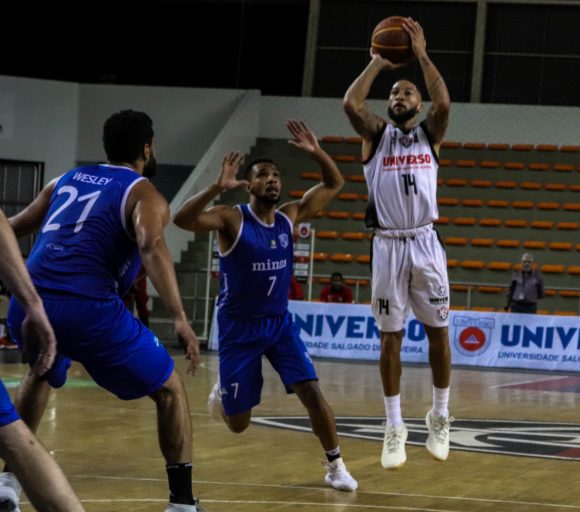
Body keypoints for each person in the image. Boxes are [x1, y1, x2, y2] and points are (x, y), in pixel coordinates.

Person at [6, 109, 204, 512]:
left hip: (28, 303)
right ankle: (182, 503)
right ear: (146, 148)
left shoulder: (64, 180)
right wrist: (180, 317)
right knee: (169, 389)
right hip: (88, 310)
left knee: (40, 371)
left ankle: (7, 483)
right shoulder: (144, 194)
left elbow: (10, 228)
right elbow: (150, 245)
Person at [172, 120, 358, 492]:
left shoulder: (289, 216)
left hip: (278, 324)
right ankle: (224, 392)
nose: (272, 179)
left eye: (275, 175)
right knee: (238, 424)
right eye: (262, 175)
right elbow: (182, 219)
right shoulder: (232, 218)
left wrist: (317, 152)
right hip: (238, 328)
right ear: (249, 184)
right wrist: (215, 187)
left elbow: (335, 183)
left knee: (311, 391)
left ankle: (336, 466)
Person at [343, 17, 453, 470]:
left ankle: (440, 415)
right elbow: (351, 102)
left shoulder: (430, 134)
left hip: (425, 242)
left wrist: (421, 55)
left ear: (418, 104)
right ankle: (394, 426)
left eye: (407, 92)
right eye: (393, 93)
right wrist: (377, 62)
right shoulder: (376, 136)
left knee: (438, 332)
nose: (399, 96)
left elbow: (444, 101)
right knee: (390, 338)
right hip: (388, 245)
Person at [0, 208, 85, 512]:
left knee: (14, 433)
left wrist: (31, 302)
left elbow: (5, 228)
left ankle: (8, 482)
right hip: (73, 300)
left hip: (60, 298)